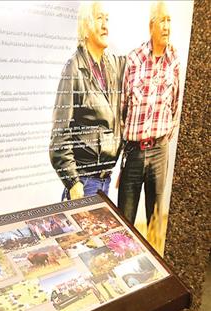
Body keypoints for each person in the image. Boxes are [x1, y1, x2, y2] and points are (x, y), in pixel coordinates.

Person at [118, 1, 180, 247]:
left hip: (159, 150)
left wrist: (161, 137)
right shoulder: (134, 59)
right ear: (151, 25)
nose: (167, 26)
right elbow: (123, 105)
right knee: (125, 220)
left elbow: (174, 105)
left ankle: (154, 273)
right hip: (134, 152)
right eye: (162, 21)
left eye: (169, 21)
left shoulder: (174, 60)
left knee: (154, 220)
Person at [49, 1, 125, 200]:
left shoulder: (112, 66)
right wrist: (73, 183)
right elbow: (60, 135)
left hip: (104, 181)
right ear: (85, 25)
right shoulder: (73, 68)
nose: (105, 25)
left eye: (107, 19)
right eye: (99, 18)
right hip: (84, 183)